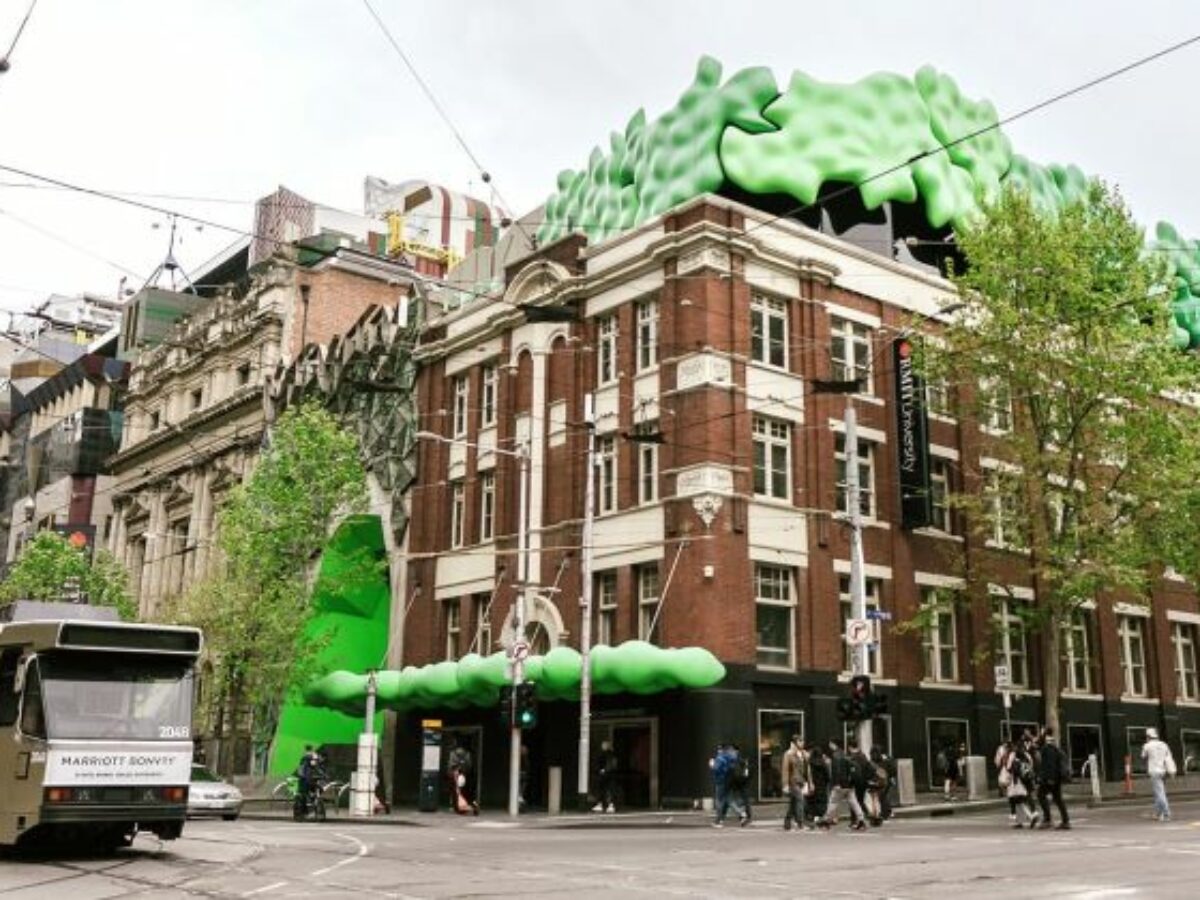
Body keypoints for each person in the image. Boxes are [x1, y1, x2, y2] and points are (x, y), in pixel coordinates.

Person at [822, 739, 866, 831]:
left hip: (840, 785)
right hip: (849, 785)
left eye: (830, 744)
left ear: (833, 744)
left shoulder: (836, 756)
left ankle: (826, 821)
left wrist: (836, 783)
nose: (829, 746)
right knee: (854, 803)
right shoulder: (844, 754)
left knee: (833, 802)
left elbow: (837, 771)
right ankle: (861, 820)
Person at [1036, 728, 1071, 830]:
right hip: (1056, 777)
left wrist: (1049, 778)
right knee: (1058, 799)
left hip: (1050, 778)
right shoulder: (1054, 746)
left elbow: (1050, 764)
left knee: (1041, 795)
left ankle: (1047, 820)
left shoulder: (1047, 748)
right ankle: (1065, 821)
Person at [1002, 739, 1040, 829]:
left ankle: (1020, 819)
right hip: (1027, 779)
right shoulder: (1027, 755)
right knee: (1027, 797)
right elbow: (1031, 765)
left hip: (1017, 781)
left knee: (1016, 800)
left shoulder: (1013, 755)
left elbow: (1009, 768)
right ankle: (1033, 813)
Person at [1142, 727, 1177, 822]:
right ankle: (1158, 814)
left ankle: (1166, 814)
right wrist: (1172, 771)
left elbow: (1143, 756)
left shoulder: (1147, 746)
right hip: (1163, 771)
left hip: (1154, 772)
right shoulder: (1164, 744)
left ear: (1148, 736)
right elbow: (1169, 758)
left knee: (1160, 793)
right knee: (1158, 793)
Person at [781, 735, 813, 831]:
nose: (802, 743)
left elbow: (808, 770)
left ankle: (787, 822)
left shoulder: (805, 754)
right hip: (793, 781)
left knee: (793, 803)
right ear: (794, 743)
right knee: (800, 800)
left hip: (802, 781)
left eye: (802, 741)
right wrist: (785, 784)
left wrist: (810, 782)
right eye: (799, 741)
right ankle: (800, 823)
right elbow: (785, 770)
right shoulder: (788, 754)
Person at [447, 740, 479, 815]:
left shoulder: (453, 753)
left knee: (457, 791)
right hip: (465, 774)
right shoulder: (467, 754)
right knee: (466, 792)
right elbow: (469, 765)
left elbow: (450, 765)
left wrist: (451, 771)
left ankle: (460, 808)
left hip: (455, 774)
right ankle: (472, 805)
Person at [295, 744, 326, 818]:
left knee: (304, 794)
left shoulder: (304, 757)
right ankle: (307, 809)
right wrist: (323, 775)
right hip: (308, 779)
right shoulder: (311, 757)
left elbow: (303, 769)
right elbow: (316, 767)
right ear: (311, 749)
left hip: (305, 779)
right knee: (312, 792)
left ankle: (304, 812)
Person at [726, 743, 753, 826]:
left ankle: (745, 816)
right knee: (741, 800)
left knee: (738, 800)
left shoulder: (737, 760)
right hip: (739, 782)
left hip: (738, 782)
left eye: (731, 750)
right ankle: (745, 816)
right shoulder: (740, 760)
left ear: (735, 751)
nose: (729, 752)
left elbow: (743, 772)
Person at [806, 744, 831, 828]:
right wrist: (827, 781)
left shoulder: (810, 763)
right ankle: (821, 818)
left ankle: (813, 817)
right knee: (822, 802)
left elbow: (807, 774)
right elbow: (827, 775)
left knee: (813, 802)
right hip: (822, 785)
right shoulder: (823, 763)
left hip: (813, 784)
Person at [869, 746, 894, 822]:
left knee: (881, 797)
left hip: (880, 780)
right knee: (883, 796)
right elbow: (892, 768)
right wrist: (891, 776)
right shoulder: (886, 758)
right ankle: (887, 811)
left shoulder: (873, 760)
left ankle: (885, 813)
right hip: (887, 779)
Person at [593, 740, 618, 813]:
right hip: (607, 774)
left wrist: (603, 770)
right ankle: (606, 804)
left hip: (607, 774)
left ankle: (608, 804)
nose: (602, 746)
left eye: (604, 745)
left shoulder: (608, 754)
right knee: (605, 789)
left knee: (607, 789)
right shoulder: (610, 754)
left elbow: (610, 764)